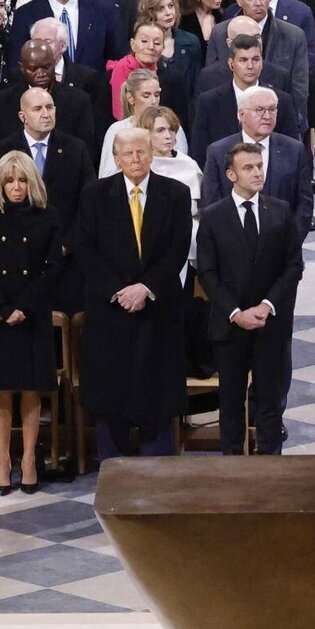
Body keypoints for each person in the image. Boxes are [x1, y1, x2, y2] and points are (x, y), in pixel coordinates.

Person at [72, 126, 194, 458]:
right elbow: (85, 249)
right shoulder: (94, 195)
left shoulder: (176, 194)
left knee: (157, 390)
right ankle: (114, 467)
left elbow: (177, 248)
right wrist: (120, 290)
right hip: (111, 310)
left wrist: (145, 287)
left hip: (158, 307)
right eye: (128, 153)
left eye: (141, 151)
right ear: (116, 158)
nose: (136, 159)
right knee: (111, 392)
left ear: (151, 153)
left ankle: (159, 467)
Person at [197, 141, 305, 457]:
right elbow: (207, 271)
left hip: (270, 324)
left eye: (259, 166)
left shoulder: (281, 211)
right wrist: (235, 312)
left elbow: (293, 266)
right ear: (231, 174)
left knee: (270, 401)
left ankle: (271, 467)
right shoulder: (213, 217)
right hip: (230, 326)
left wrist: (266, 306)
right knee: (230, 401)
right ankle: (232, 471)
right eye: (248, 167)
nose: (257, 172)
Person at [0, 150, 61, 493]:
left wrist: (25, 306)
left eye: (22, 180)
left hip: (32, 313)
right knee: (1, 390)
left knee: (31, 389)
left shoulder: (46, 216)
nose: (17, 187)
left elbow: (53, 267)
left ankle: (30, 459)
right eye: (10, 181)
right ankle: (4, 459)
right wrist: (3, 308)